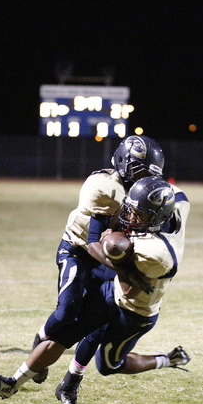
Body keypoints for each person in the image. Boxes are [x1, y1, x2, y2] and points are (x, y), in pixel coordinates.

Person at [0, 176, 191, 404]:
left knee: (108, 365)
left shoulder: (158, 254)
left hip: (135, 310)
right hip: (110, 290)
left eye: (140, 215)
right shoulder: (179, 203)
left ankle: (168, 359)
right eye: (132, 210)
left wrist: (112, 248)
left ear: (158, 218)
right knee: (66, 335)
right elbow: (176, 193)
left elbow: (129, 287)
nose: (132, 217)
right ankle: (13, 383)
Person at [29, 135, 165, 384]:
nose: (142, 178)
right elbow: (93, 243)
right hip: (79, 250)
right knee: (68, 309)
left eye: (147, 173)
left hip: (108, 255)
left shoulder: (140, 190)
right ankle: (39, 343)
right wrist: (126, 270)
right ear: (123, 161)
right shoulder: (104, 186)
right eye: (138, 169)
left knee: (98, 321)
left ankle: (71, 383)